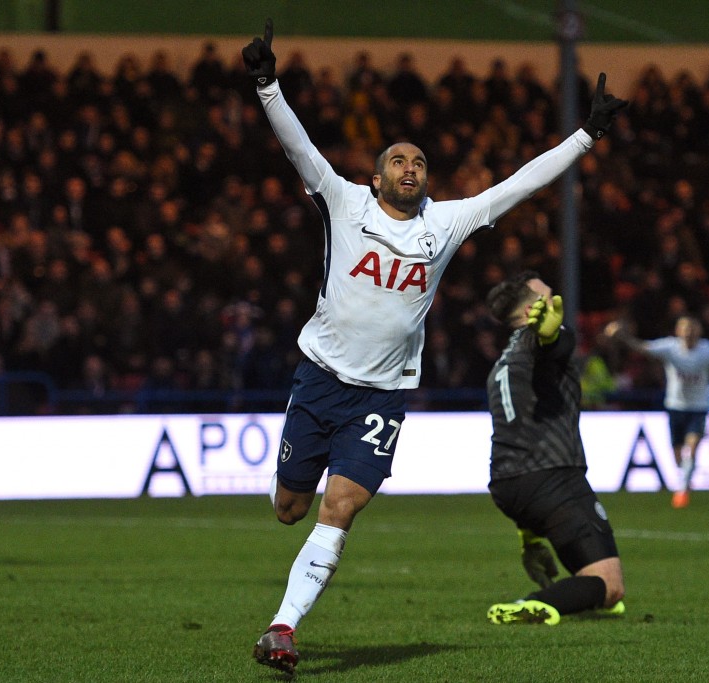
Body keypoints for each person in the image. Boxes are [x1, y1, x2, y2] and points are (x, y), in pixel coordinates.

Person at [241, 20, 628, 673]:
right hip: (319, 378)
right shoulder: (342, 202)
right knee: (290, 506)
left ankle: (282, 626)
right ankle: (290, 576)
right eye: (398, 159)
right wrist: (266, 84)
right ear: (376, 175)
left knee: (342, 505)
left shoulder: (444, 224)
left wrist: (586, 135)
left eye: (419, 161)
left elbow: (520, 183)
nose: (410, 167)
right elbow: (300, 149)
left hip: (383, 394)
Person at [483, 271, 625, 625]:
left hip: (508, 484)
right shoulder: (538, 342)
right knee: (610, 587)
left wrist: (529, 533)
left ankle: (568, 590)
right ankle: (528, 604)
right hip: (552, 476)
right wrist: (551, 335)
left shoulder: (503, 362)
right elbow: (554, 345)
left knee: (591, 581)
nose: (554, 297)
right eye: (548, 293)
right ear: (533, 307)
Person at [605, 316, 709, 508]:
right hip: (675, 406)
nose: (688, 332)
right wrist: (623, 337)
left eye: (692, 328)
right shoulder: (670, 347)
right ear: (678, 331)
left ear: (699, 331)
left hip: (699, 407)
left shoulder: (707, 350)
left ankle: (683, 491)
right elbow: (642, 348)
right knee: (678, 455)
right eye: (685, 328)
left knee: (693, 446)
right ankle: (685, 477)